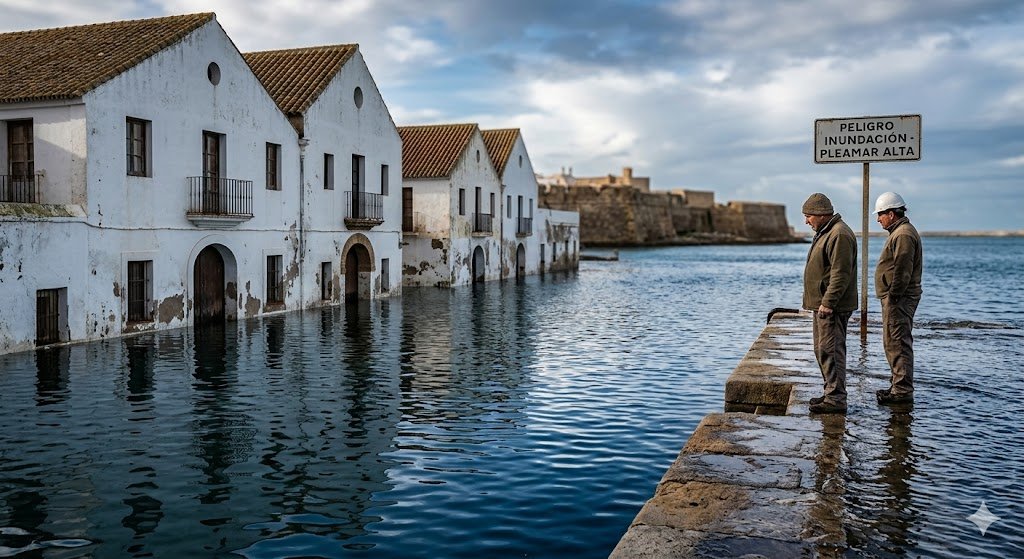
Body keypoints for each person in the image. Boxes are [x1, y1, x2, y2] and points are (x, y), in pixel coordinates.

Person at [801, 193, 858, 414]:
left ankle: (835, 399)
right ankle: (830, 393)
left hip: (832, 306)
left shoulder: (839, 234)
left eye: (808, 217)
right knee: (823, 350)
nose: (806, 222)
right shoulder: (828, 231)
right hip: (823, 305)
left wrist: (829, 302)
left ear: (821, 214)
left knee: (831, 350)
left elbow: (840, 273)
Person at [873, 192, 923, 405]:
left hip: (899, 299)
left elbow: (903, 269)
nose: (878, 219)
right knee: (893, 341)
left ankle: (901, 391)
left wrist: (893, 296)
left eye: (881, 215)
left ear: (891, 214)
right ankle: (897, 386)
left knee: (897, 342)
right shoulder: (900, 232)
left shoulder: (902, 234)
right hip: (898, 298)